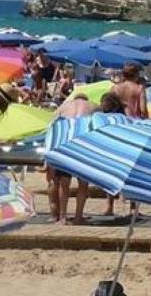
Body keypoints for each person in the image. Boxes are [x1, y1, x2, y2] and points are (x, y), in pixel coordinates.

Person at [50, 93, 93, 224]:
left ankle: (62, 217)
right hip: (83, 143)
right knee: (83, 183)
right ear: (85, 99)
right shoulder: (92, 106)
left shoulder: (64, 106)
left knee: (64, 183)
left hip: (66, 141)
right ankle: (78, 216)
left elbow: (52, 126)